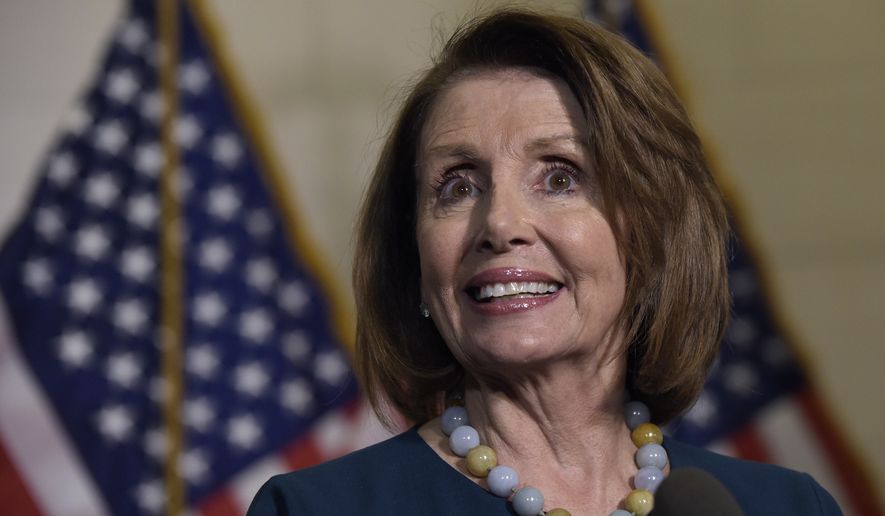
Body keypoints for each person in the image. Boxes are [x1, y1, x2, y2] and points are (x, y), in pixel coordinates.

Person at [248, 9, 841, 516]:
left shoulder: (786, 507)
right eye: (457, 187)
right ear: (417, 265)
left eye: (560, 177)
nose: (501, 224)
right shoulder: (317, 510)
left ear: (652, 237)